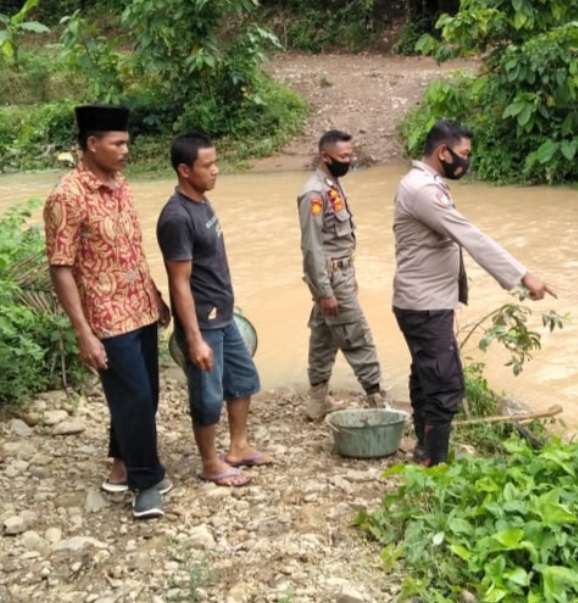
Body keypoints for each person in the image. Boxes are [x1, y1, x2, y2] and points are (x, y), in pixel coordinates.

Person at [392, 119, 556, 466]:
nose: (466, 162)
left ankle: (424, 448)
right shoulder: (424, 190)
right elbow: (471, 236)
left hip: (421, 301)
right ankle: (434, 464)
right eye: (463, 154)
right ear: (442, 151)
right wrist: (523, 276)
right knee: (444, 384)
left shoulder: (424, 183)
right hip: (424, 304)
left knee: (426, 374)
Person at [44, 104, 172, 519]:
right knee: (134, 398)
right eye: (117, 143)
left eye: (126, 142)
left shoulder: (120, 184)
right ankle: (145, 482)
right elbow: (61, 267)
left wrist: (154, 294)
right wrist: (83, 331)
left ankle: (119, 468)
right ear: (92, 144)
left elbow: (131, 249)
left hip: (139, 307)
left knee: (146, 395)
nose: (125, 151)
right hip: (105, 317)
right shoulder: (67, 197)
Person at [157, 132, 271, 488]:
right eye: (207, 166)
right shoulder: (176, 217)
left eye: (215, 163)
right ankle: (210, 462)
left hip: (224, 315)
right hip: (202, 323)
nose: (216, 171)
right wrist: (193, 338)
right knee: (207, 396)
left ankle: (237, 447)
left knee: (243, 380)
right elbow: (179, 282)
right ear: (184, 170)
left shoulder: (202, 203)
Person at [297, 130, 386, 420]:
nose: (348, 161)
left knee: (323, 337)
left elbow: (340, 240)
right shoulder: (314, 193)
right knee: (357, 335)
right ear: (324, 156)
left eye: (350, 155)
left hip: (341, 274)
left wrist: (350, 274)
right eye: (343, 157)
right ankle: (377, 402)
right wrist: (325, 291)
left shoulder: (334, 184)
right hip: (331, 278)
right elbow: (312, 248)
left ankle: (317, 400)